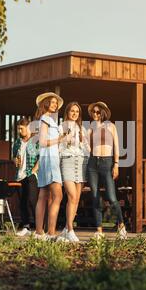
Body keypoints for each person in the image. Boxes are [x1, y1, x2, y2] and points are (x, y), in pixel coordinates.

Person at [87, 101, 127, 240]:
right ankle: (99, 230)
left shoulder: (111, 126)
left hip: (107, 162)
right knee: (95, 196)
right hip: (93, 163)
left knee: (111, 196)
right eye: (94, 112)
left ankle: (121, 225)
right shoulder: (90, 127)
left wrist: (116, 164)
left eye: (98, 112)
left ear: (103, 112)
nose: (96, 114)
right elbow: (86, 145)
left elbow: (116, 146)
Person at [33, 92, 67, 240]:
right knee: (57, 195)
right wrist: (60, 139)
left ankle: (39, 233)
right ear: (46, 103)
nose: (55, 105)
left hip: (47, 159)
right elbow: (42, 142)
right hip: (50, 160)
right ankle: (51, 233)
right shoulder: (46, 119)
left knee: (43, 195)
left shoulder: (46, 120)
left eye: (55, 103)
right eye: (52, 102)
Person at [56, 102, 90, 242]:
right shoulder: (61, 127)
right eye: (72, 111)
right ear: (67, 112)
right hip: (67, 161)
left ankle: (66, 229)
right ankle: (70, 229)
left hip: (81, 162)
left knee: (76, 198)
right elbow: (57, 145)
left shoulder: (82, 129)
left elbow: (87, 148)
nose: (75, 113)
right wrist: (65, 138)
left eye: (77, 111)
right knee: (71, 195)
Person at [12, 117, 39, 237]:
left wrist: (33, 171)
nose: (19, 131)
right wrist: (15, 161)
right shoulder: (17, 142)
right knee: (22, 203)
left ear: (28, 127)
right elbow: (14, 156)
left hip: (31, 174)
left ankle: (39, 227)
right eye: (18, 128)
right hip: (19, 176)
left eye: (21, 128)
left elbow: (41, 157)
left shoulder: (35, 140)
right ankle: (26, 226)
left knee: (32, 201)